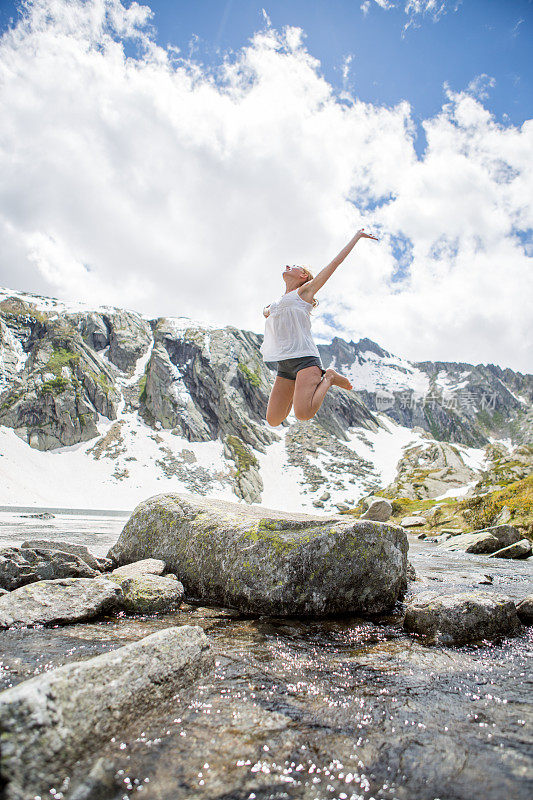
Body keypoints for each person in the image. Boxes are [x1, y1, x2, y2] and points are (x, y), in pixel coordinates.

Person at [260, 227, 378, 426]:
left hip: (305, 360)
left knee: (303, 414)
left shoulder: (304, 293)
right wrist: (267, 310)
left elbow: (334, 264)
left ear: (304, 276)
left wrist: (356, 237)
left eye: (295, 266)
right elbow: (266, 312)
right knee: (273, 420)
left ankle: (329, 377)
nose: (288, 265)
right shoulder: (276, 303)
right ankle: (301, 388)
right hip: (285, 364)